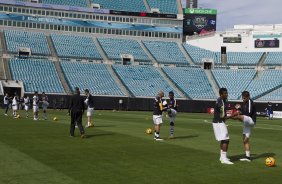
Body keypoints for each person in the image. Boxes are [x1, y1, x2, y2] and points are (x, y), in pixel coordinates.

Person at [230, 91, 256, 162]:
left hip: (251, 120)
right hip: (247, 123)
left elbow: (248, 113)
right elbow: (243, 111)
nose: (243, 99)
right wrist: (239, 109)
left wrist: (238, 111)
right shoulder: (245, 103)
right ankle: (248, 157)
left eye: (244, 98)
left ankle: (228, 117)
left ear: (248, 97)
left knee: (238, 116)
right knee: (245, 140)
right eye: (242, 98)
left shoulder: (250, 102)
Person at [212, 88, 233, 165]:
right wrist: (233, 115)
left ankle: (222, 157)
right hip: (219, 122)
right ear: (221, 94)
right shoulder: (221, 102)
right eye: (225, 93)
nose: (226, 94)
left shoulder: (221, 100)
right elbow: (222, 117)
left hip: (218, 122)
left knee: (223, 139)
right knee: (226, 140)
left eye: (227, 93)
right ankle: (224, 159)